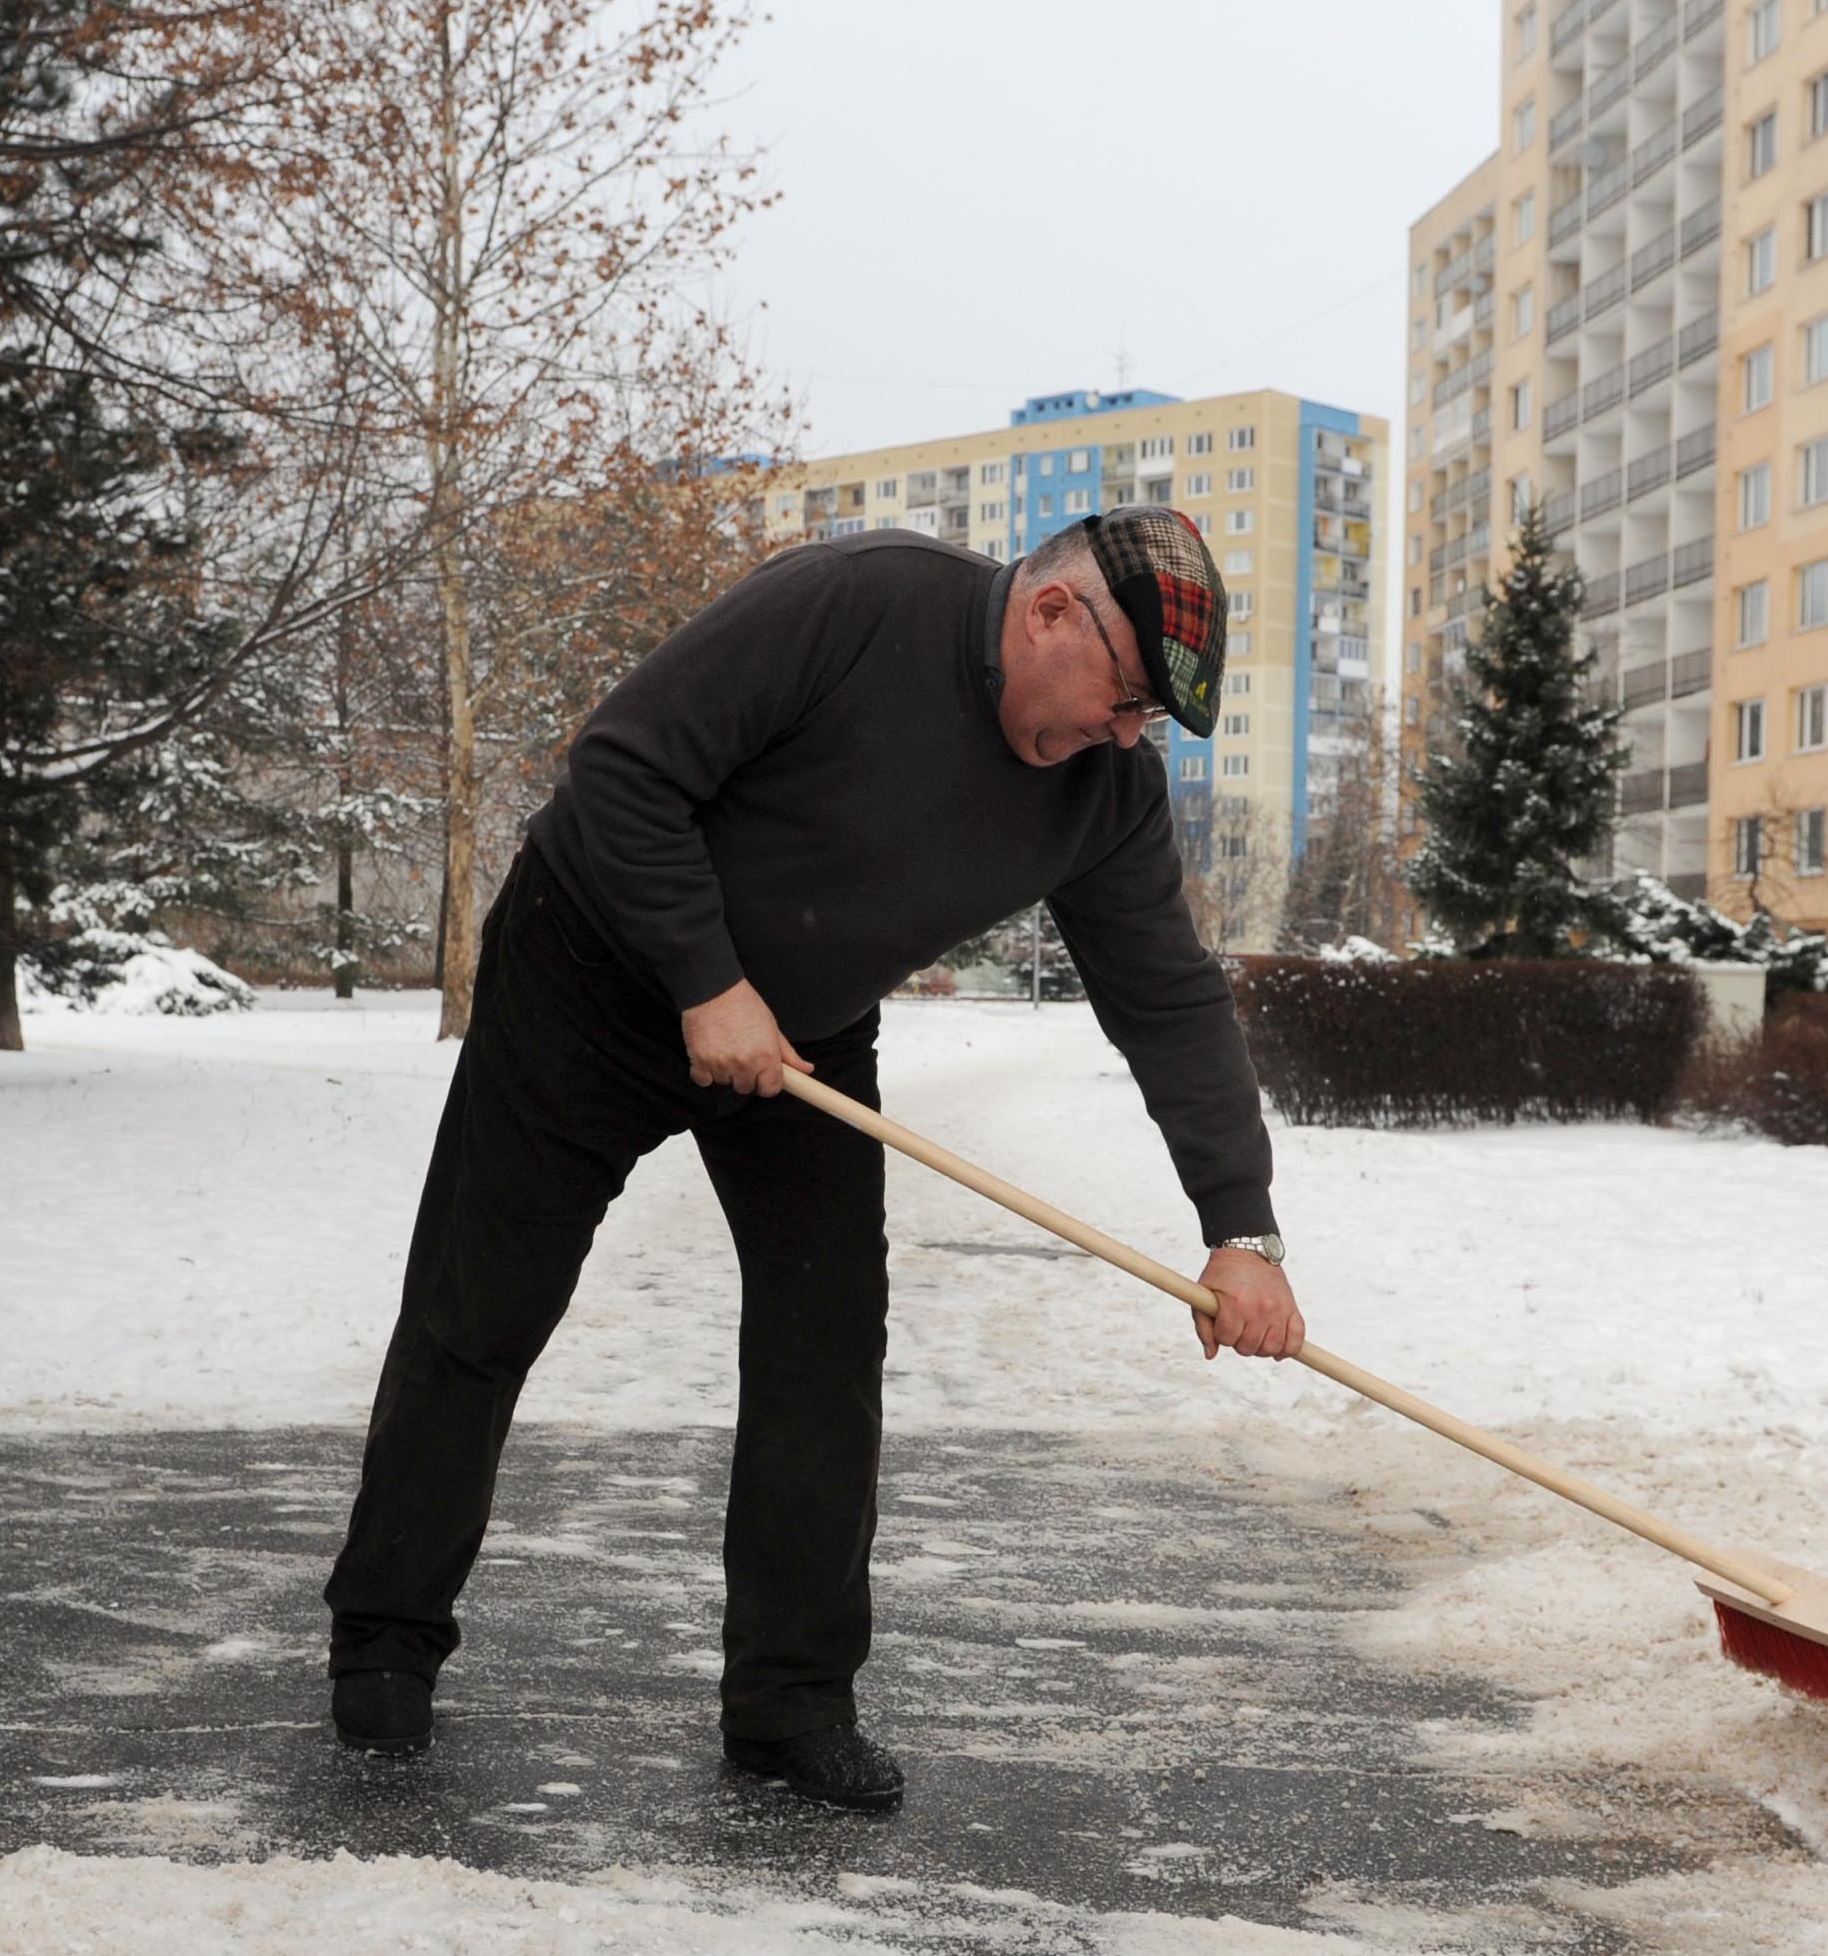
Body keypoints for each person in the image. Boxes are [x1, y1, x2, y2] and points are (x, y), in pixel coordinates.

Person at [322, 503, 1307, 1810]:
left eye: (1149, 722)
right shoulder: (855, 604)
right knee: (482, 1304)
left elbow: (1169, 999)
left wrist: (1242, 1228)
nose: (1128, 736)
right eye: (1127, 698)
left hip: (802, 1038)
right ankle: (385, 1642)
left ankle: (790, 1705)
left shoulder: (1105, 794)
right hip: (587, 972)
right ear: (1051, 612)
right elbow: (620, 770)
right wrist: (704, 978)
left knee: (826, 1338)